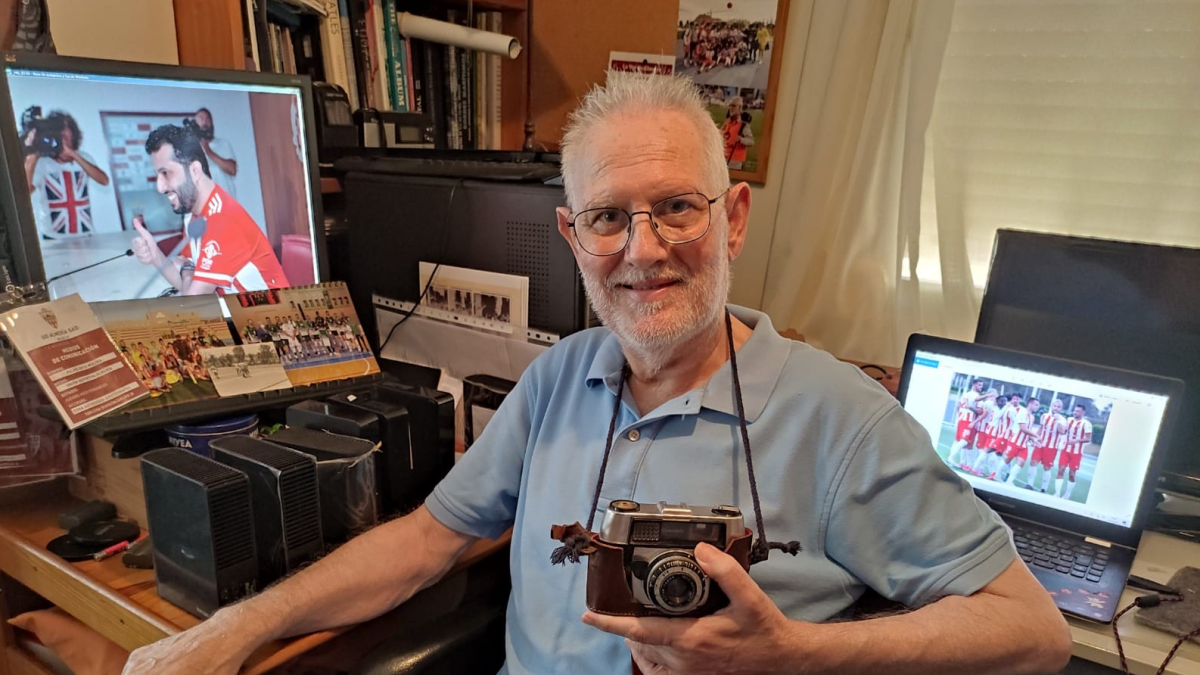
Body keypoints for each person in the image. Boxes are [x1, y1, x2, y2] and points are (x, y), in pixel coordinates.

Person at [121, 73, 1070, 675]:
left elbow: (1032, 630)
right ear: (572, 237)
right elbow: (423, 542)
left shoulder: (843, 419)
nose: (644, 250)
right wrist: (234, 630)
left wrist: (797, 656)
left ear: (733, 218)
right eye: (609, 217)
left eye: (676, 209)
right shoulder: (557, 378)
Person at [130, 124, 289, 296]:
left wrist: (187, 270)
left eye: (166, 173)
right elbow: (186, 270)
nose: (160, 187)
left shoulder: (223, 220)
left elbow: (194, 299)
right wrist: (156, 255)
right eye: (157, 175)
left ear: (195, 170)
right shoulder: (194, 213)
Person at [23, 110, 110, 239]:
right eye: (58, 130)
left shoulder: (84, 158)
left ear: (74, 133)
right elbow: (25, 192)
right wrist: (32, 155)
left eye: (65, 130)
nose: (62, 134)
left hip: (85, 234)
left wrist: (74, 154)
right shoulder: (43, 163)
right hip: (53, 237)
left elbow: (104, 180)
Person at [192, 107, 238, 198]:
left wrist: (208, 151)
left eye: (208, 119)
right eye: (201, 119)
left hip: (227, 205)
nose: (205, 122)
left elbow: (232, 170)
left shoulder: (223, 144)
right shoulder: (191, 150)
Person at [1058, 404, 1093, 499]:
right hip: (1065, 450)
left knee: (1072, 474)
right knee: (1061, 470)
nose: (1075, 412)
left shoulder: (1086, 424)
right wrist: (1059, 425)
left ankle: (1067, 495)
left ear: (1083, 412)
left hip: (1076, 452)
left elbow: (1088, 439)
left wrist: (1076, 441)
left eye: (1078, 411)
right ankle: (1057, 494)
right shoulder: (1069, 420)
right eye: (1075, 410)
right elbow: (1064, 431)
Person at [721, 96, 754, 170]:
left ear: (740, 108)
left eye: (733, 106)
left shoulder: (743, 125)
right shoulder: (727, 122)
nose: (731, 108)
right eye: (730, 105)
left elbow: (751, 141)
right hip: (723, 157)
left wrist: (741, 139)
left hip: (735, 161)